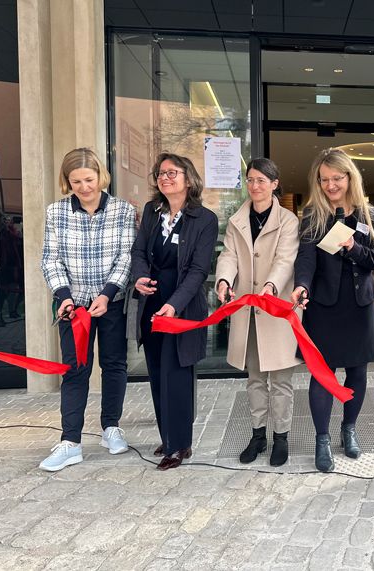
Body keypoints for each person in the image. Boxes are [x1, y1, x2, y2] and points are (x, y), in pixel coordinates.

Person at [39, 147, 136, 471]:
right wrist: (64, 297)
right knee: (75, 370)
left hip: (111, 302)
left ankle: (111, 427)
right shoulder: (56, 213)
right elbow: (50, 259)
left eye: (89, 179)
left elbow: (126, 257)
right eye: (76, 181)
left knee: (114, 364)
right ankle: (71, 442)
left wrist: (108, 294)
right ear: (67, 181)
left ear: (100, 176)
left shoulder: (122, 210)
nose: (84, 187)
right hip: (73, 307)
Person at [290, 148, 374, 473]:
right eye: (325, 179)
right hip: (324, 306)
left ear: (349, 177)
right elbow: (305, 260)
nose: (331, 185)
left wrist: (353, 248)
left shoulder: (368, 214)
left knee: (357, 372)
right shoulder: (312, 214)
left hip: (359, 305)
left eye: (337, 178)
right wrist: (302, 285)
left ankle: (349, 429)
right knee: (322, 374)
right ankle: (322, 439)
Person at [131, 152, 218, 470]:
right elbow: (138, 251)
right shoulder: (152, 212)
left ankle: (181, 445)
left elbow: (198, 270)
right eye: (160, 173)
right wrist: (139, 277)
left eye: (172, 172)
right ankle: (168, 437)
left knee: (176, 372)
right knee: (156, 371)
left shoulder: (205, 219)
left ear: (188, 177)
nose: (165, 178)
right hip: (152, 302)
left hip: (181, 307)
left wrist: (174, 305)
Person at [215, 158, 302, 467]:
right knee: (254, 380)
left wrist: (269, 286)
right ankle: (257, 434)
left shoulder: (288, 221)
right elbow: (229, 255)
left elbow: (285, 259)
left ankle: (281, 437)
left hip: (275, 310)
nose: (254, 186)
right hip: (248, 312)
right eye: (250, 180)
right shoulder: (237, 219)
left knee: (280, 381)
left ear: (274, 185)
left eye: (261, 181)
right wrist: (225, 279)